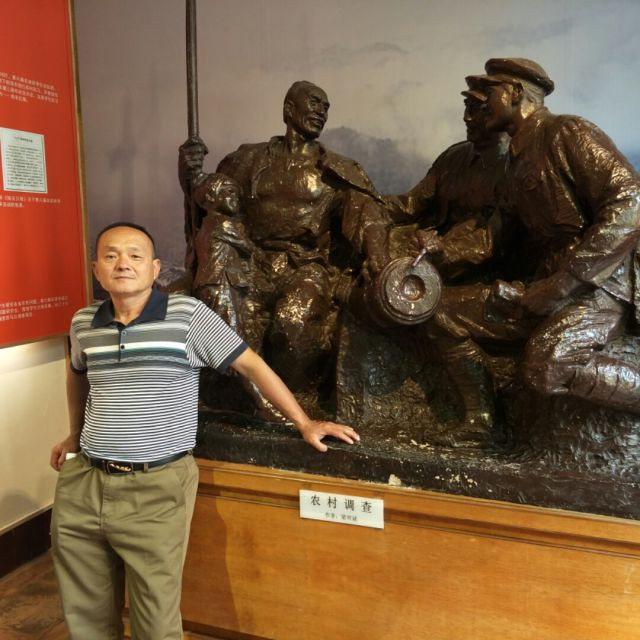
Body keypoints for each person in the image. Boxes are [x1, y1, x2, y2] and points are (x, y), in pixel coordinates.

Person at [49, 222, 360, 640]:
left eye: (135, 255)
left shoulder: (187, 316)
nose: (123, 264)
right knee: (84, 617)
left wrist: (304, 422)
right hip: (85, 481)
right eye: (111, 256)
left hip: (155, 485)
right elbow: (77, 374)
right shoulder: (84, 322)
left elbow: (250, 365)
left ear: (154, 268)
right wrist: (74, 433)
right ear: (97, 270)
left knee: (155, 622)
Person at [179, 80, 382, 392]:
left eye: (326, 107)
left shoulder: (337, 170)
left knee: (293, 324)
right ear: (289, 109)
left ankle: (292, 399)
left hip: (305, 266)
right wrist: (189, 175)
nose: (321, 111)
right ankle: (250, 400)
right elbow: (209, 201)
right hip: (251, 262)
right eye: (314, 102)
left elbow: (366, 217)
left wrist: (377, 256)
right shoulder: (245, 160)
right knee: (237, 326)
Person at [470, 57, 640, 413]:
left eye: (490, 91)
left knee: (546, 365)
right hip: (545, 286)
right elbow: (495, 236)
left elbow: (630, 202)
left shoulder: (567, 132)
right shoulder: (515, 160)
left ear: (515, 92)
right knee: (448, 313)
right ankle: (479, 420)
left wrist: (563, 284)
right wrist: (438, 250)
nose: (482, 102)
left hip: (601, 285)